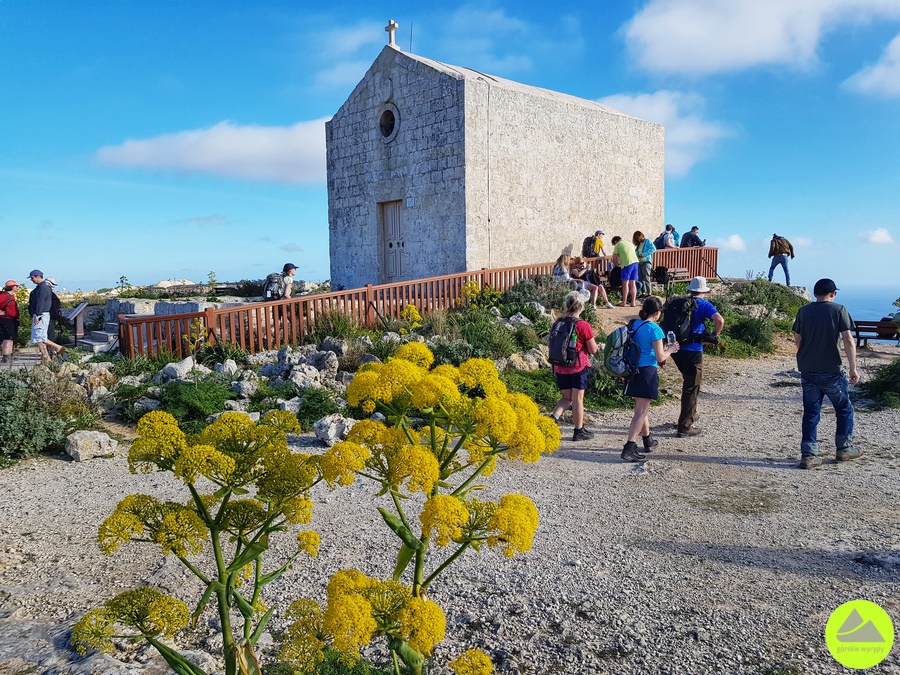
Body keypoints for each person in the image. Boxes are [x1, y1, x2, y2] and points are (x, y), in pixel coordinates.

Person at [792, 278, 861, 469]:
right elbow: (848, 340)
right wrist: (853, 368)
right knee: (844, 408)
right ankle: (844, 449)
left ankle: (809, 455)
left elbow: (797, 339)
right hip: (831, 369)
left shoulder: (803, 311)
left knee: (811, 412)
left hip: (808, 369)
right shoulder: (839, 310)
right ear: (833, 293)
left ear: (815, 293)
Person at [622, 296, 679, 461]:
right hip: (647, 371)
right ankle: (629, 447)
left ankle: (648, 441)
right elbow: (661, 357)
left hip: (632, 370)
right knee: (641, 411)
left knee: (641, 407)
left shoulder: (634, 324)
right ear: (658, 312)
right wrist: (671, 349)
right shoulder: (655, 329)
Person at [670, 277, 724, 437]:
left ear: (690, 290)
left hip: (676, 349)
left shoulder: (679, 302)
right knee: (691, 387)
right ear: (704, 291)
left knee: (689, 382)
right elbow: (719, 320)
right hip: (693, 350)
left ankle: (691, 413)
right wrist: (714, 335)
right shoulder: (703, 304)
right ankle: (685, 426)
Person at [550, 291, 599, 441]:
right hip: (578, 367)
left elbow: (550, 344)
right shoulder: (583, 325)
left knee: (566, 398)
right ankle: (579, 430)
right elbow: (593, 349)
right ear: (581, 307)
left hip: (560, 367)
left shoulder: (558, 323)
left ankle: (553, 419)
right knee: (578, 400)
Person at [27, 269, 64, 363]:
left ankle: (55, 349)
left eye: (33, 278)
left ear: (38, 276)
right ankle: (46, 357)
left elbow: (41, 302)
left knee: (39, 337)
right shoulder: (42, 288)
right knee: (38, 337)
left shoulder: (42, 288)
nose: (32, 280)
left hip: (41, 314)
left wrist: (37, 315)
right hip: (41, 314)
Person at [611, 236, 639, 307]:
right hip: (635, 262)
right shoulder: (629, 243)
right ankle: (633, 302)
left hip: (627, 264)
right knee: (633, 283)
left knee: (625, 283)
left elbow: (614, 258)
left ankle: (624, 302)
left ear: (615, 241)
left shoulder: (618, 245)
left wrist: (616, 265)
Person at [0, 280, 20, 364]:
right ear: (12, 287)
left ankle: (9, 355)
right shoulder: (4, 296)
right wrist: (2, 313)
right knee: (7, 338)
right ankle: (5, 356)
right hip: (6, 319)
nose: (17, 287)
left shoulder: (10, 296)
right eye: (16, 286)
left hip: (11, 319)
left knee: (11, 338)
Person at [633, 231, 656, 298]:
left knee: (646, 276)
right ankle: (643, 292)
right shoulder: (639, 244)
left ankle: (649, 293)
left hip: (646, 261)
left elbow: (653, 249)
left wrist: (643, 254)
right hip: (639, 262)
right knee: (640, 277)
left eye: (638, 237)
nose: (638, 239)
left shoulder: (647, 241)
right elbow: (637, 252)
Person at [45, 277, 63, 343]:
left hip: (51, 316)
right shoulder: (49, 294)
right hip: (49, 316)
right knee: (49, 334)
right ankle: (50, 349)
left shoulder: (50, 294)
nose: (53, 287)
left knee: (49, 333)